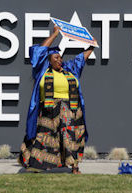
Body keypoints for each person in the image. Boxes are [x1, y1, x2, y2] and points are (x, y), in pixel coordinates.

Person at [19, 26, 94, 174]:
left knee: (70, 137)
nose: (60, 59)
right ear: (49, 60)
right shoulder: (42, 70)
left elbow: (81, 58)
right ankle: (36, 165)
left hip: (70, 109)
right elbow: (39, 51)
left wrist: (92, 45)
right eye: (56, 58)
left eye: (60, 57)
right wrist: (55, 34)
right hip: (48, 110)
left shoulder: (69, 69)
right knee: (43, 138)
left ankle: (74, 167)